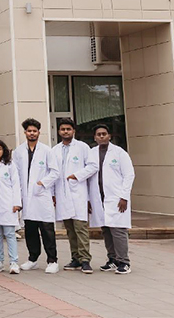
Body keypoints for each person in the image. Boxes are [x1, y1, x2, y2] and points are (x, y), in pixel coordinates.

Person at [12, 118, 60, 274]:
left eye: (34, 131)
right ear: (25, 133)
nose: (32, 133)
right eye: (29, 131)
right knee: (30, 230)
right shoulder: (18, 152)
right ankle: (32, 259)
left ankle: (52, 260)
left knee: (47, 230)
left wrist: (42, 183)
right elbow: (15, 175)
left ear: (39, 132)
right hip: (26, 196)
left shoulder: (47, 151)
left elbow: (55, 172)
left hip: (42, 195)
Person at [51, 117, 98, 274]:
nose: (65, 132)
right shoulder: (54, 150)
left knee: (80, 228)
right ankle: (75, 258)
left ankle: (85, 260)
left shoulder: (82, 147)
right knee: (70, 229)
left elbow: (93, 166)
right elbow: (52, 173)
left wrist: (76, 176)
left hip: (78, 194)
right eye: (63, 129)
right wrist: (53, 194)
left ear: (73, 131)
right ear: (59, 132)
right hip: (62, 194)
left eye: (68, 129)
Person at [87, 124, 135, 275]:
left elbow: (129, 175)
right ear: (95, 137)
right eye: (98, 134)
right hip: (99, 198)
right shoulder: (91, 153)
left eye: (104, 134)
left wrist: (124, 197)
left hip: (116, 198)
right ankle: (113, 259)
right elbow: (88, 176)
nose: (101, 136)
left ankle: (124, 261)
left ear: (109, 136)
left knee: (118, 230)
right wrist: (89, 199)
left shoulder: (120, 153)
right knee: (106, 229)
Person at [0, 138, 22, 274]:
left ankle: (14, 262)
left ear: (4, 150)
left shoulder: (10, 165)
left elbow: (16, 184)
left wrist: (16, 203)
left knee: (10, 234)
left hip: (8, 204)